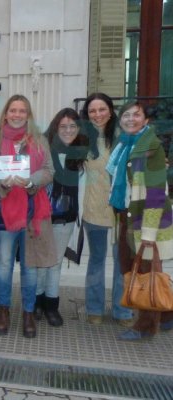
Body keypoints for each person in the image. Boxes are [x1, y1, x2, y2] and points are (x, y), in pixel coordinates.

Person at [0, 94, 56, 339]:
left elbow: (49, 171)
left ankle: (28, 313)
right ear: (6, 113)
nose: (17, 115)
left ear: (28, 115)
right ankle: (3, 310)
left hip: (33, 213)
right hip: (3, 211)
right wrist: (3, 183)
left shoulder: (40, 140)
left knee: (30, 267)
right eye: (13, 110)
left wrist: (32, 180)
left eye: (22, 111)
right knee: (3, 266)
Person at [105, 102, 173, 340]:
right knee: (129, 265)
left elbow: (156, 193)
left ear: (146, 120)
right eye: (126, 115)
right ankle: (165, 314)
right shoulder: (124, 144)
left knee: (145, 272)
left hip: (146, 218)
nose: (131, 119)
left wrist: (149, 234)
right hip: (127, 214)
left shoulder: (150, 146)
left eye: (137, 115)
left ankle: (145, 326)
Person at [80, 93, 133, 327]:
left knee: (122, 262)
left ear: (110, 111)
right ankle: (94, 308)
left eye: (102, 109)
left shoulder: (125, 138)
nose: (98, 114)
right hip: (95, 209)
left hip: (122, 211)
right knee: (97, 260)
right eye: (92, 111)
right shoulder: (81, 140)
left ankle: (122, 310)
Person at [35, 108, 88, 326]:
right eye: (63, 126)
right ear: (56, 128)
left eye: (72, 126)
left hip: (66, 217)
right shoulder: (43, 151)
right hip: (42, 215)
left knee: (55, 263)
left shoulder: (82, 153)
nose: (68, 130)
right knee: (40, 262)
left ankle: (51, 305)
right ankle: (36, 303)